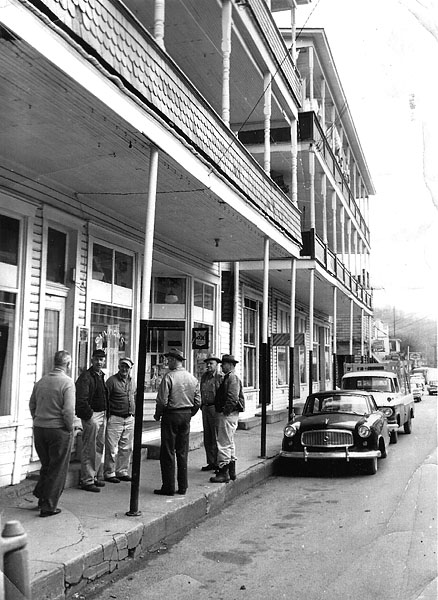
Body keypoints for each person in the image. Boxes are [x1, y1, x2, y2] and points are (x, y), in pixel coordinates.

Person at [29, 350, 75, 517]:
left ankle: (41, 497)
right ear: (68, 365)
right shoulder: (67, 383)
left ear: (54, 363)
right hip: (58, 430)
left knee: (47, 465)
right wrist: (70, 428)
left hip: (40, 428)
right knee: (57, 468)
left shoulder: (41, 381)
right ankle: (48, 506)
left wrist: (38, 419)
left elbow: (32, 404)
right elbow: (68, 411)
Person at [153, 348, 201, 496]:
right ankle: (182, 486)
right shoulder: (192, 378)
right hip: (185, 415)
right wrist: (189, 414)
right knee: (182, 451)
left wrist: (158, 414)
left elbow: (162, 400)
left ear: (174, 360)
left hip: (171, 415)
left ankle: (168, 486)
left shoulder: (169, 377)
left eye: (169, 359)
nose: (167, 362)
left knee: (168, 451)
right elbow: (198, 401)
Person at [75, 349, 108, 492]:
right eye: (96, 359)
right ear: (91, 360)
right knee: (90, 447)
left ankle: (93, 476)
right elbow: (81, 400)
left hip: (102, 414)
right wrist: (89, 416)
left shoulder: (100, 375)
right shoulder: (86, 377)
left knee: (99, 446)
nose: (99, 362)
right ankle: (87, 480)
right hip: (92, 416)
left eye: (101, 360)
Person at [210, 354, 245, 484]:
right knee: (229, 442)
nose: (222, 366)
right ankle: (231, 471)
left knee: (223, 443)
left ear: (230, 365)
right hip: (229, 414)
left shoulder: (232, 378)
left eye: (223, 364)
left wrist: (225, 412)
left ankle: (223, 472)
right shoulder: (229, 377)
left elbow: (232, 397)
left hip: (228, 415)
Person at [104, 357, 135, 483]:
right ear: (118, 367)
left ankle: (122, 471)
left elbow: (134, 396)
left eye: (127, 367)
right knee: (111, 447)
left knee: (126, 447)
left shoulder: (132, 381)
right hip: (115, 417)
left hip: (129, 418)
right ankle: (109, 472)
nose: (124, 369)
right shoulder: (111, 381)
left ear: (130, 368)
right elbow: (106, 399)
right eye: (122, 366)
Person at [200, 354, 223, 471]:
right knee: (207, 436)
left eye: (211, 363)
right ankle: (211, 462)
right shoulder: (204, 377)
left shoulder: (220, 377)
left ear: (217, 365)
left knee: (216, 436)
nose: (208, 365)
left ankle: (219, 463)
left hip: (215, 409)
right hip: (205, 407)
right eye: (207, 363)